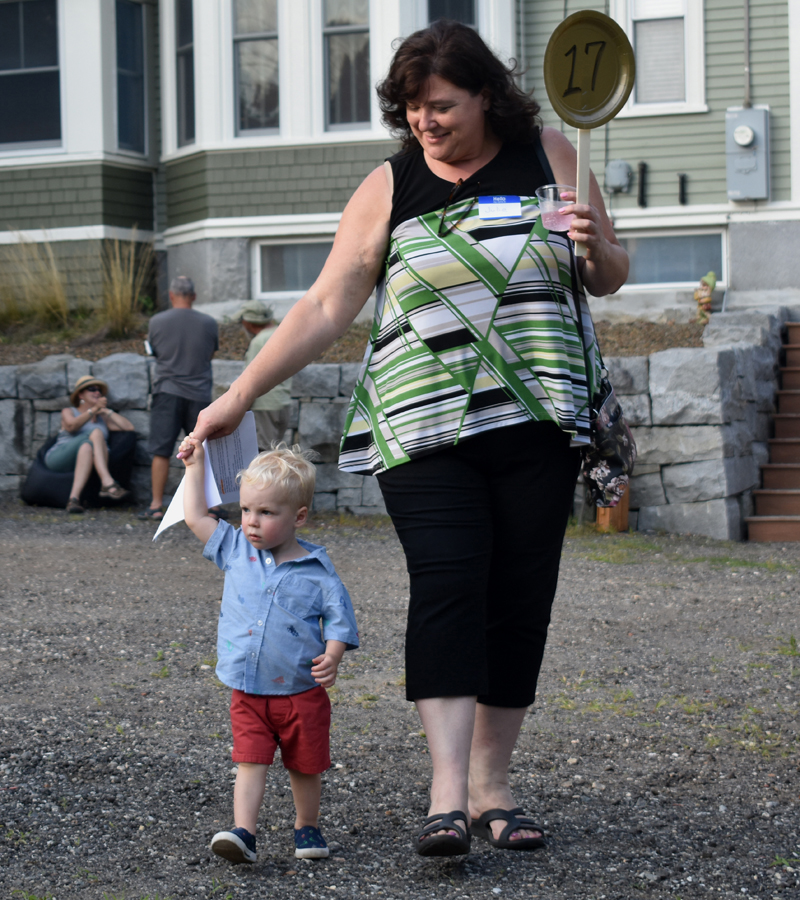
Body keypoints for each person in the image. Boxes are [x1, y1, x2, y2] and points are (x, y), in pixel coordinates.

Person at [188, 20, 628, 858]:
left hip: (537, 421)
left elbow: (609, 274)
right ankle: (447, 795)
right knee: (451, 585)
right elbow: (323, 306)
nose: (425, 122)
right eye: (412, 109)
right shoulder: (392, 183)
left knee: (518, 596)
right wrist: (236, 399)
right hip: (421, 427)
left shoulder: (550, 154)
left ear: (487, 96)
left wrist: (591, 243)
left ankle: (496, 787)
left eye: (442, 106)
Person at [179, 439, 359, 863]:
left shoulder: (318, 572)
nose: (251, 522)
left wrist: (333, 655)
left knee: (305, 765)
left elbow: (338, 618)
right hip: (248, 687)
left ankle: (307, 827)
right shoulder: (235, 549)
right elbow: (193, 517)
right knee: (250, 761)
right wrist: (195, 465)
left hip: (300, 691)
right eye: (245, 510)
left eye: (265, 512)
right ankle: (245, 832)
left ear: (298, 516)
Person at [138, 275, 219, 520]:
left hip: (167, 392)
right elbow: (211, 353)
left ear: (171, 296)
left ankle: (155, 506)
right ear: (194, 296)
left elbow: (155, 352)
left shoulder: (156, 321)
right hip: (199, 394)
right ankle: (212, 507)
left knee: (161, 450)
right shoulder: (209, 323)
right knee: (203, 450)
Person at [45, 375, 134, 514]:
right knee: (96, 432)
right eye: (91, 389)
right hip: (59, 457)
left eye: (99, 390)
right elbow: (71, 426)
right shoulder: (69, 411)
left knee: (87, 446)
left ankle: (73, 499)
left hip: (85, 457)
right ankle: (107, 482)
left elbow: (128, 428)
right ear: (81, 394)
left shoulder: (102, 417)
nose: (97, 393)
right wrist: (92, 410)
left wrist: (106, 411)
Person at [233, 300, 293, 451]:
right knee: (276, 453)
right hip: (283, 402)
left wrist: (238, 408)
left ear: (249, 322)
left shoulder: (259, 341)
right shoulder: (282, 333)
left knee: (264, 455)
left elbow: (250, 379)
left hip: (264, 406)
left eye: (242, 321)